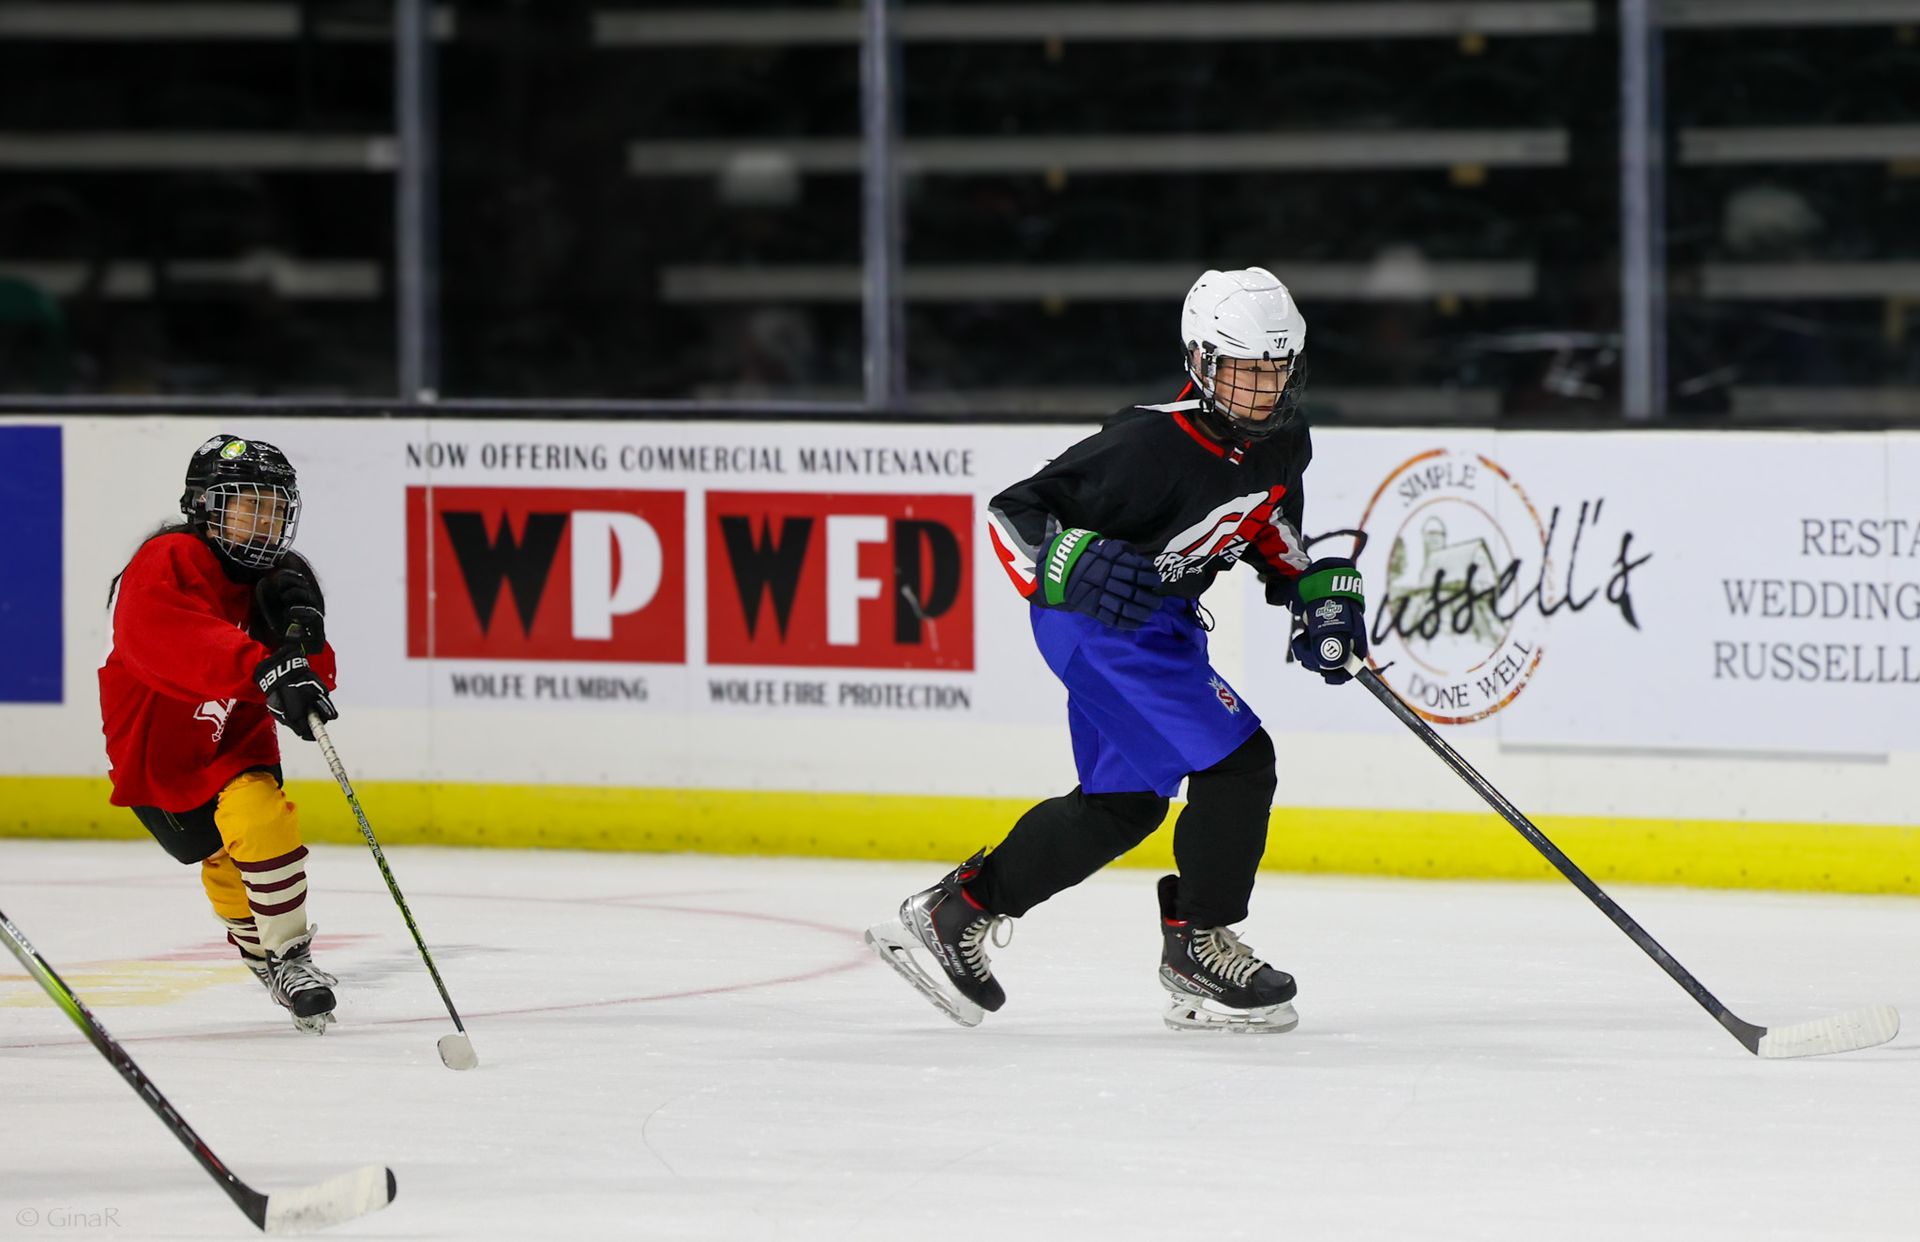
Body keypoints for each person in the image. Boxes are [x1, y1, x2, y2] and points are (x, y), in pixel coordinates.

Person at [867, 268, 1368, 1033]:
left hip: (1159, 629)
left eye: (1276, 370)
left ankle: (956, 910)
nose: (1262, 390)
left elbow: (1269, 529)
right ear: (1201, 363)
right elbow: (1014, 515)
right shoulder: (1148, 445)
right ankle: (1198, 947)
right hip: (1099, 628)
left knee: (1121, 806)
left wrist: (1316, 594)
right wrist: (1069, 559)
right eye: (1243, 371)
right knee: (1240, 765)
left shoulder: (1283, 442)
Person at [99, 435, 343, 1034]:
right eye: (247, 504)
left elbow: (310, 672)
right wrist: (262, 669)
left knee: (261, 820)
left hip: (235, 740)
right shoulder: (169, 559)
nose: (263, 520)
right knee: (217, 854)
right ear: (205, 507)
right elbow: (164, 641)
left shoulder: (283, 577)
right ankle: (262, 953)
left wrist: (303, 652)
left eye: (274, 506)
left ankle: (291, 957)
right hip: (155, 751)